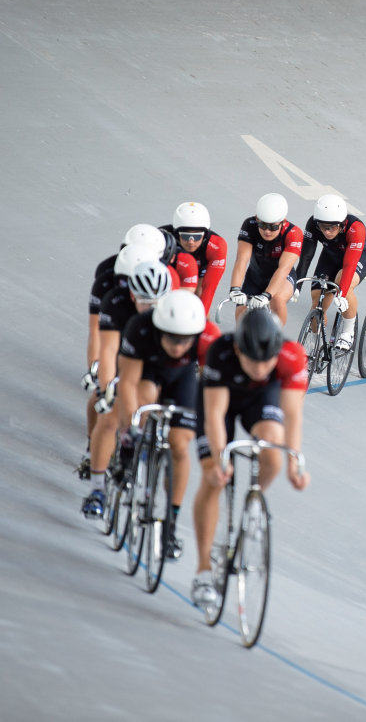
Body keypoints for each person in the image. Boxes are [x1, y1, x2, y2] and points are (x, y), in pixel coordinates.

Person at [190, 309, 309, 607]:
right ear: (238, 350)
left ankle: (253, 501)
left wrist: (295, 464)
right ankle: (204, 570)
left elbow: (293, 414)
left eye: (267, 361)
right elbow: (215, 416)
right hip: (222, 401)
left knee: (274, 449)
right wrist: (220, 460)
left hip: (260, 398)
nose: (260, 368)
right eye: (253, 361)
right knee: (213, 479)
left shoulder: (291, 356)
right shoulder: (220, 352)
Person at [116, 290, 219, 558]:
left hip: (182, 378)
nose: (177, 346)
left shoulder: (209, 337)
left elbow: (214, 394)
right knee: (143, 398)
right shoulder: (140, 327)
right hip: (147, 371)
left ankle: (170, 523)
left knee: (180, 446)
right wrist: (130, 428)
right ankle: (128, 453)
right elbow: (127, 383)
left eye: (184, 340)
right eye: (171, 338)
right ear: (159, 328)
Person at [82, 255, 172, 518]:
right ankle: (97, 489)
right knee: (109, 416)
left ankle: (138, 444)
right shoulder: (116, 302)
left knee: (149, 399)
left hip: (155, 362)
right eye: (144, 300)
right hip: (126, 356)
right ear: (132, 295)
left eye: (155, 302)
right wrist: (105, 387)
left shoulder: (172, 307)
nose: (150, 307)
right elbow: (108, 350)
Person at [294, 194, 366, 351]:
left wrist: (342, 293)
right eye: (323, 227)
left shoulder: (356, 228)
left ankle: (348, 332)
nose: (327, 232)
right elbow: (306, 257)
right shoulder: (312, 224)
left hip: (359, 257)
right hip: (331, 257)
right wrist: (297, 285)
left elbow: (350, 264)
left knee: (343, 282)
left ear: (342, 224)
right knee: (317, 303)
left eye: (332, 227)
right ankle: (316, 345)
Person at [227, 193, 305, 323]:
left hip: (283, 276)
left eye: (273, 227)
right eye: (263, 225)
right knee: (241, 316)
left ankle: (277, 341)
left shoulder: (294, 233)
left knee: (277, 299)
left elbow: (284, 268)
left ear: (283, 222)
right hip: (255, 275)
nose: (267, 231)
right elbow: (242, 259)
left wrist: (267, 295)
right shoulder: (249, 225)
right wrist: (235, 289)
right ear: (257, 219)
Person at [160, 202, 228, 315]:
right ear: (176, 234)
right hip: (173, 267)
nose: (191, 241)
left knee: (199, 301)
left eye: (197, 236)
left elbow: (209, 289)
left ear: (205, 235)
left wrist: (201, 320)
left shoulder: (217, 246)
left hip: (201, 268)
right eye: (186, 236)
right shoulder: (161, 239)